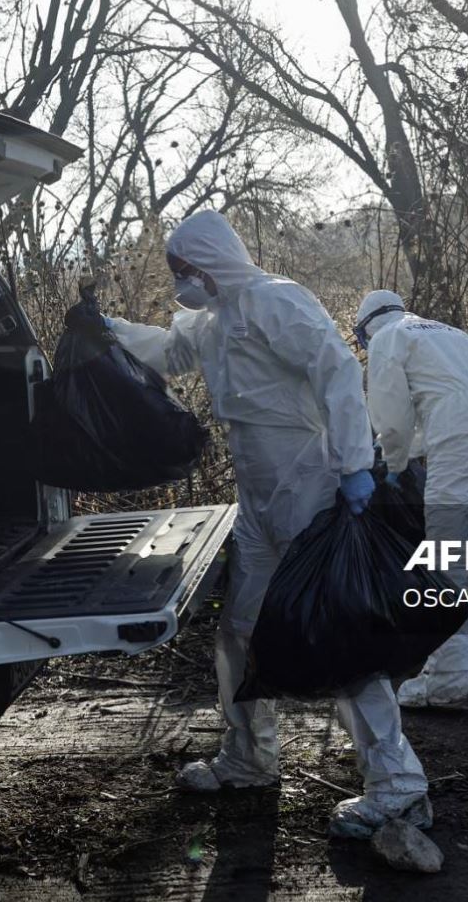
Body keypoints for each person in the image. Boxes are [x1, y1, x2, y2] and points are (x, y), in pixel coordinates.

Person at [100, 212, 432, 838]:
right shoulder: (209, 319)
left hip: (308, 484)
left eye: (185, 270)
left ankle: (397, 784)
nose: (181, 283)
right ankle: (250, 757)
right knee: (240, 628)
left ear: (212, 261)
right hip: (258, 497)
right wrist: (111, 330)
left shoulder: (275, 301)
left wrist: (354, 464)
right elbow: (171, 353)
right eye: (176, 273)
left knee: (339, 634)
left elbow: (336, 368)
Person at [354, 290, 468, 709]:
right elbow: (451, 398)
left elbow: (391, 416)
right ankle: (456, 662)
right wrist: (407, 450)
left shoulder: (388, 338)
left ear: (366, 328)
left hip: (462, 432)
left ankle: (449, 681)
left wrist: (392, 461)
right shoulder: (448, 332)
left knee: (446, 552)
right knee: (463, 549)